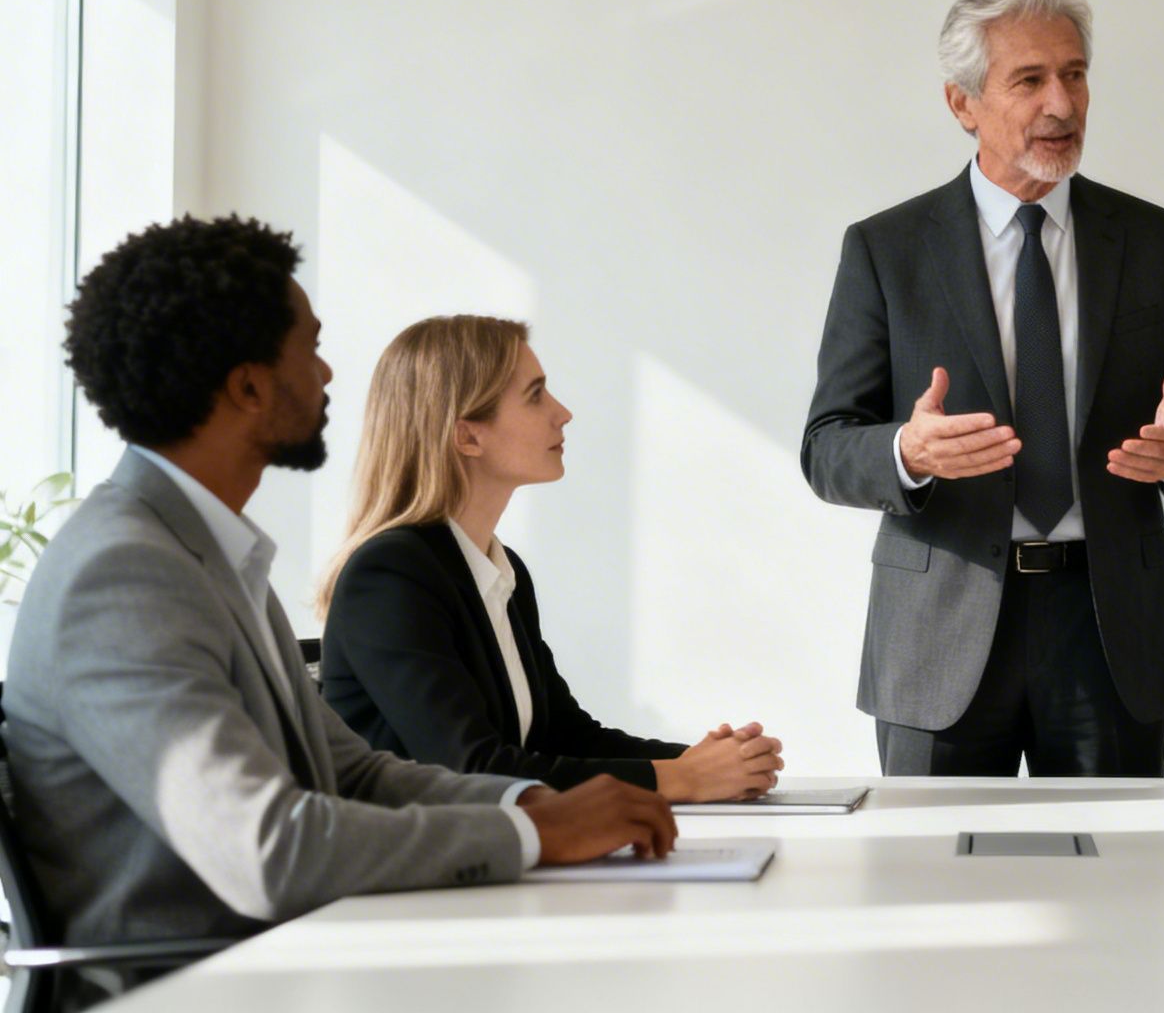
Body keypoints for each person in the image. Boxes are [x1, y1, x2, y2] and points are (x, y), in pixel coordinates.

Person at [2, 216, 677, 950]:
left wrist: (540, 802)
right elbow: (268, 850)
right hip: (195, 985)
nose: (326, 374)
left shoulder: (209, 554)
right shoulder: (122, 574)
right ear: (251, 386)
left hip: (287, 959)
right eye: (312, 348)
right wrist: (531, 831)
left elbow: (353, 774)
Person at [802, 0, 1164, 777]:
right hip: (941, 632)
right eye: (1030, 81)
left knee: (1116, 893)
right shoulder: (887, 249)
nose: (1063, 105)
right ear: (962, 103)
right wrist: (909, 453)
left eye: (1074, 75)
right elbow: (826, 447)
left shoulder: (1153, 242)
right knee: (934, 893)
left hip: (1109, 631)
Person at [317, 315, 783, 801]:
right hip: (414, 868)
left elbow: (563, 736)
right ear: (468, 437)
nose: (562, 413)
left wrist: (705, 762)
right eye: (535, 395)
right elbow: (472, 768)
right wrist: (682, 779)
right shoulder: (391, 575)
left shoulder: (498, 569)